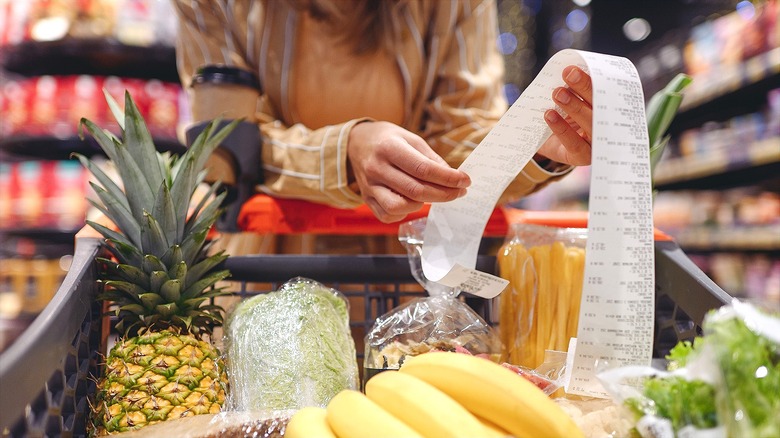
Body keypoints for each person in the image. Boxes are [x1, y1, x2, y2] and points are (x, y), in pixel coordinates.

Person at [172, 0, 593, 225]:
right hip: (266, 260)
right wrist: (344, 153)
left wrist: (537, 146)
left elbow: (461, 133)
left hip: (405, 269)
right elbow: (224, 146)